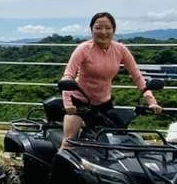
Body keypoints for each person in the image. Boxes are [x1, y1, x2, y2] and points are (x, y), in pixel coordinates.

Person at [60, 11, 161, 148]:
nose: (103, 32)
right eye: (98, 28)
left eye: (108, 28)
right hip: (79, 103)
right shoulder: (83, 49)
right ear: (91, 30)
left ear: (113, 30)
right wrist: (68, 105)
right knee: (69, 142)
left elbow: (137, 76)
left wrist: (151, 102)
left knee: (115, 143)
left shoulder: (120, 49)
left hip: (104, 104)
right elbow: (68, 76)